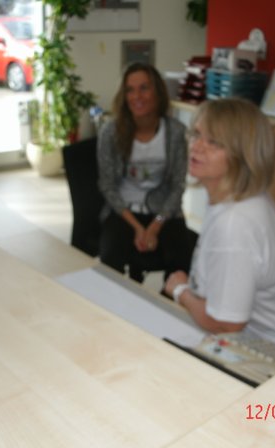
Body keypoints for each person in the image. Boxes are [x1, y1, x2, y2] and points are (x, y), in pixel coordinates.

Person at [164, 98, 275, 355]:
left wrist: (180, 291)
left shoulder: (234, 224)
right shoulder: (242, 197)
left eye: (214, 142)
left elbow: (226, 325)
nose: (197, 147)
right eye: (197, 134)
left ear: (242, 155)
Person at [97, 62, 193, 283]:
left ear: (158, 92)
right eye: (130, 90)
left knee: (182, 261)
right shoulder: (110, 132)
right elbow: (107, 186)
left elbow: (178, 187)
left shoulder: (176, 133)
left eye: (144, 88)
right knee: (110, 258)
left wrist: (155, 226)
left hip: (163, 212)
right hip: (123, 211)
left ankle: (169, 301)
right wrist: (138, 228)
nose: (136, 96)